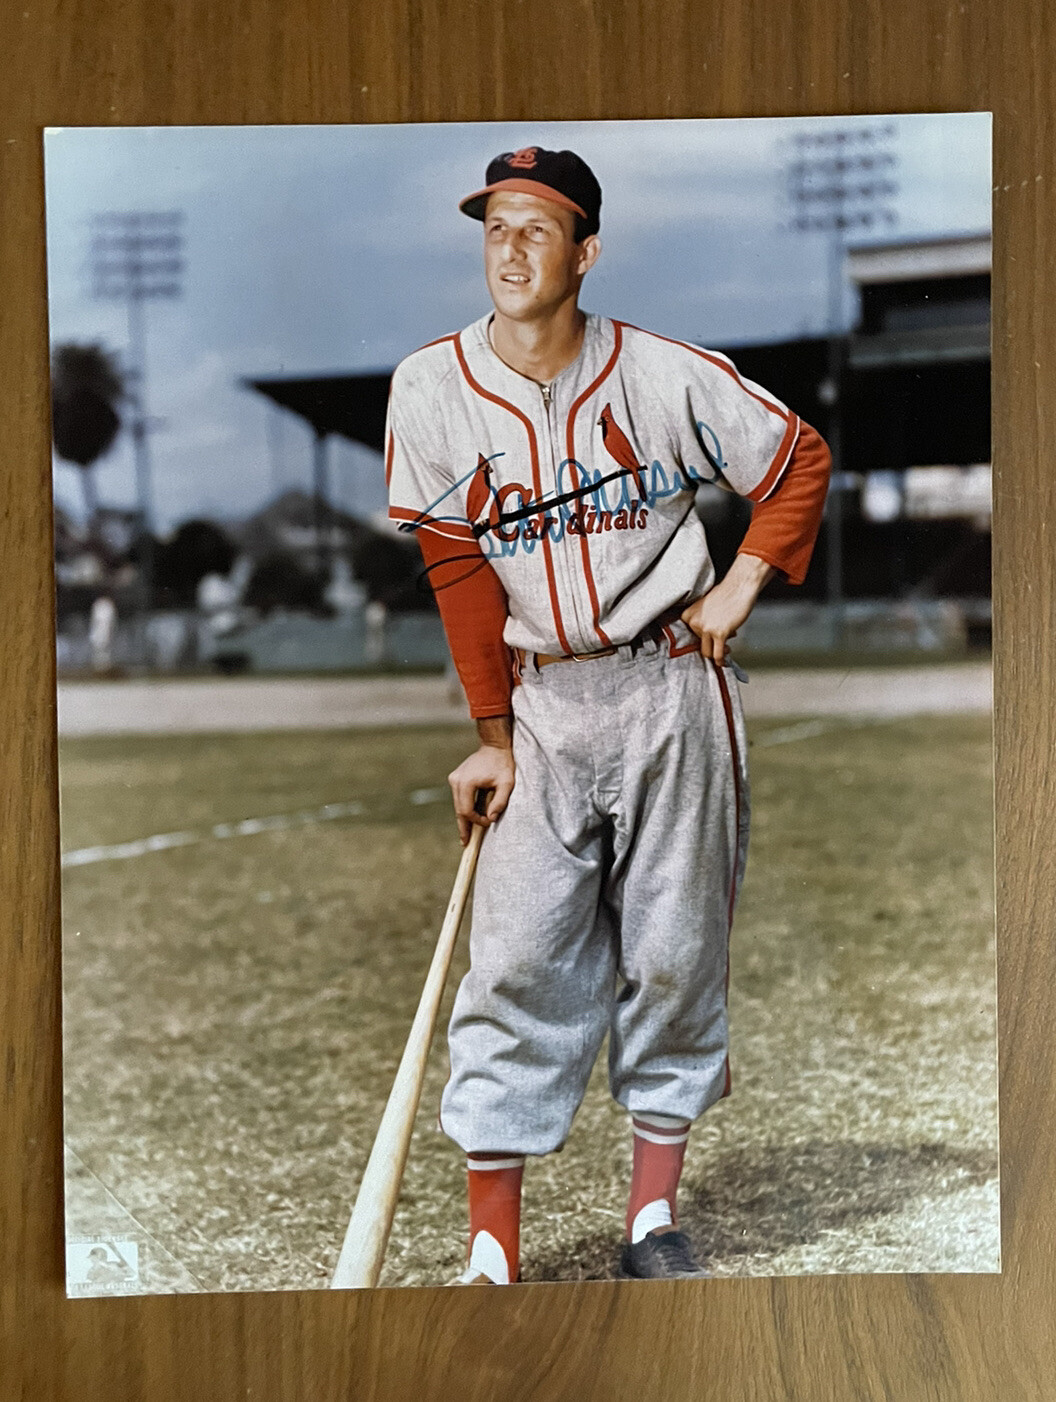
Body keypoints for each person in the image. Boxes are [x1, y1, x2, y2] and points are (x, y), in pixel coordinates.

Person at [385, 146, 832, 1283]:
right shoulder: (430, 388)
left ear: (585, 252)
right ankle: (493, 1246)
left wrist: (743, 580)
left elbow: (796, 458)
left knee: (676, 950)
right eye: (495, 227)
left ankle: (651, 1218)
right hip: (542, 700)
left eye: (538, 228)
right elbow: (459, 573)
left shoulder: (666, 375)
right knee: (515, 958)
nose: (510, 249)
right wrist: (491, 736)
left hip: (674, 683)